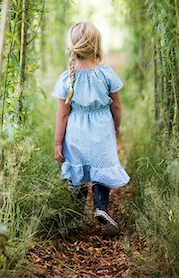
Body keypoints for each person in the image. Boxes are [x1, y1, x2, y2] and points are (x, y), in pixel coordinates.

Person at [51, 21, 131, 236]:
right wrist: (116, 126)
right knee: (101, 170)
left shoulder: (67, 77)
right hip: (101, 129)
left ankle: (74, 215)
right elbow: (117, 105)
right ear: (97, 47)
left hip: (75, 132)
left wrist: (58, 142)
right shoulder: (106, 74)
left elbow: (62, 114)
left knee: (77, 171)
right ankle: (101, 208)